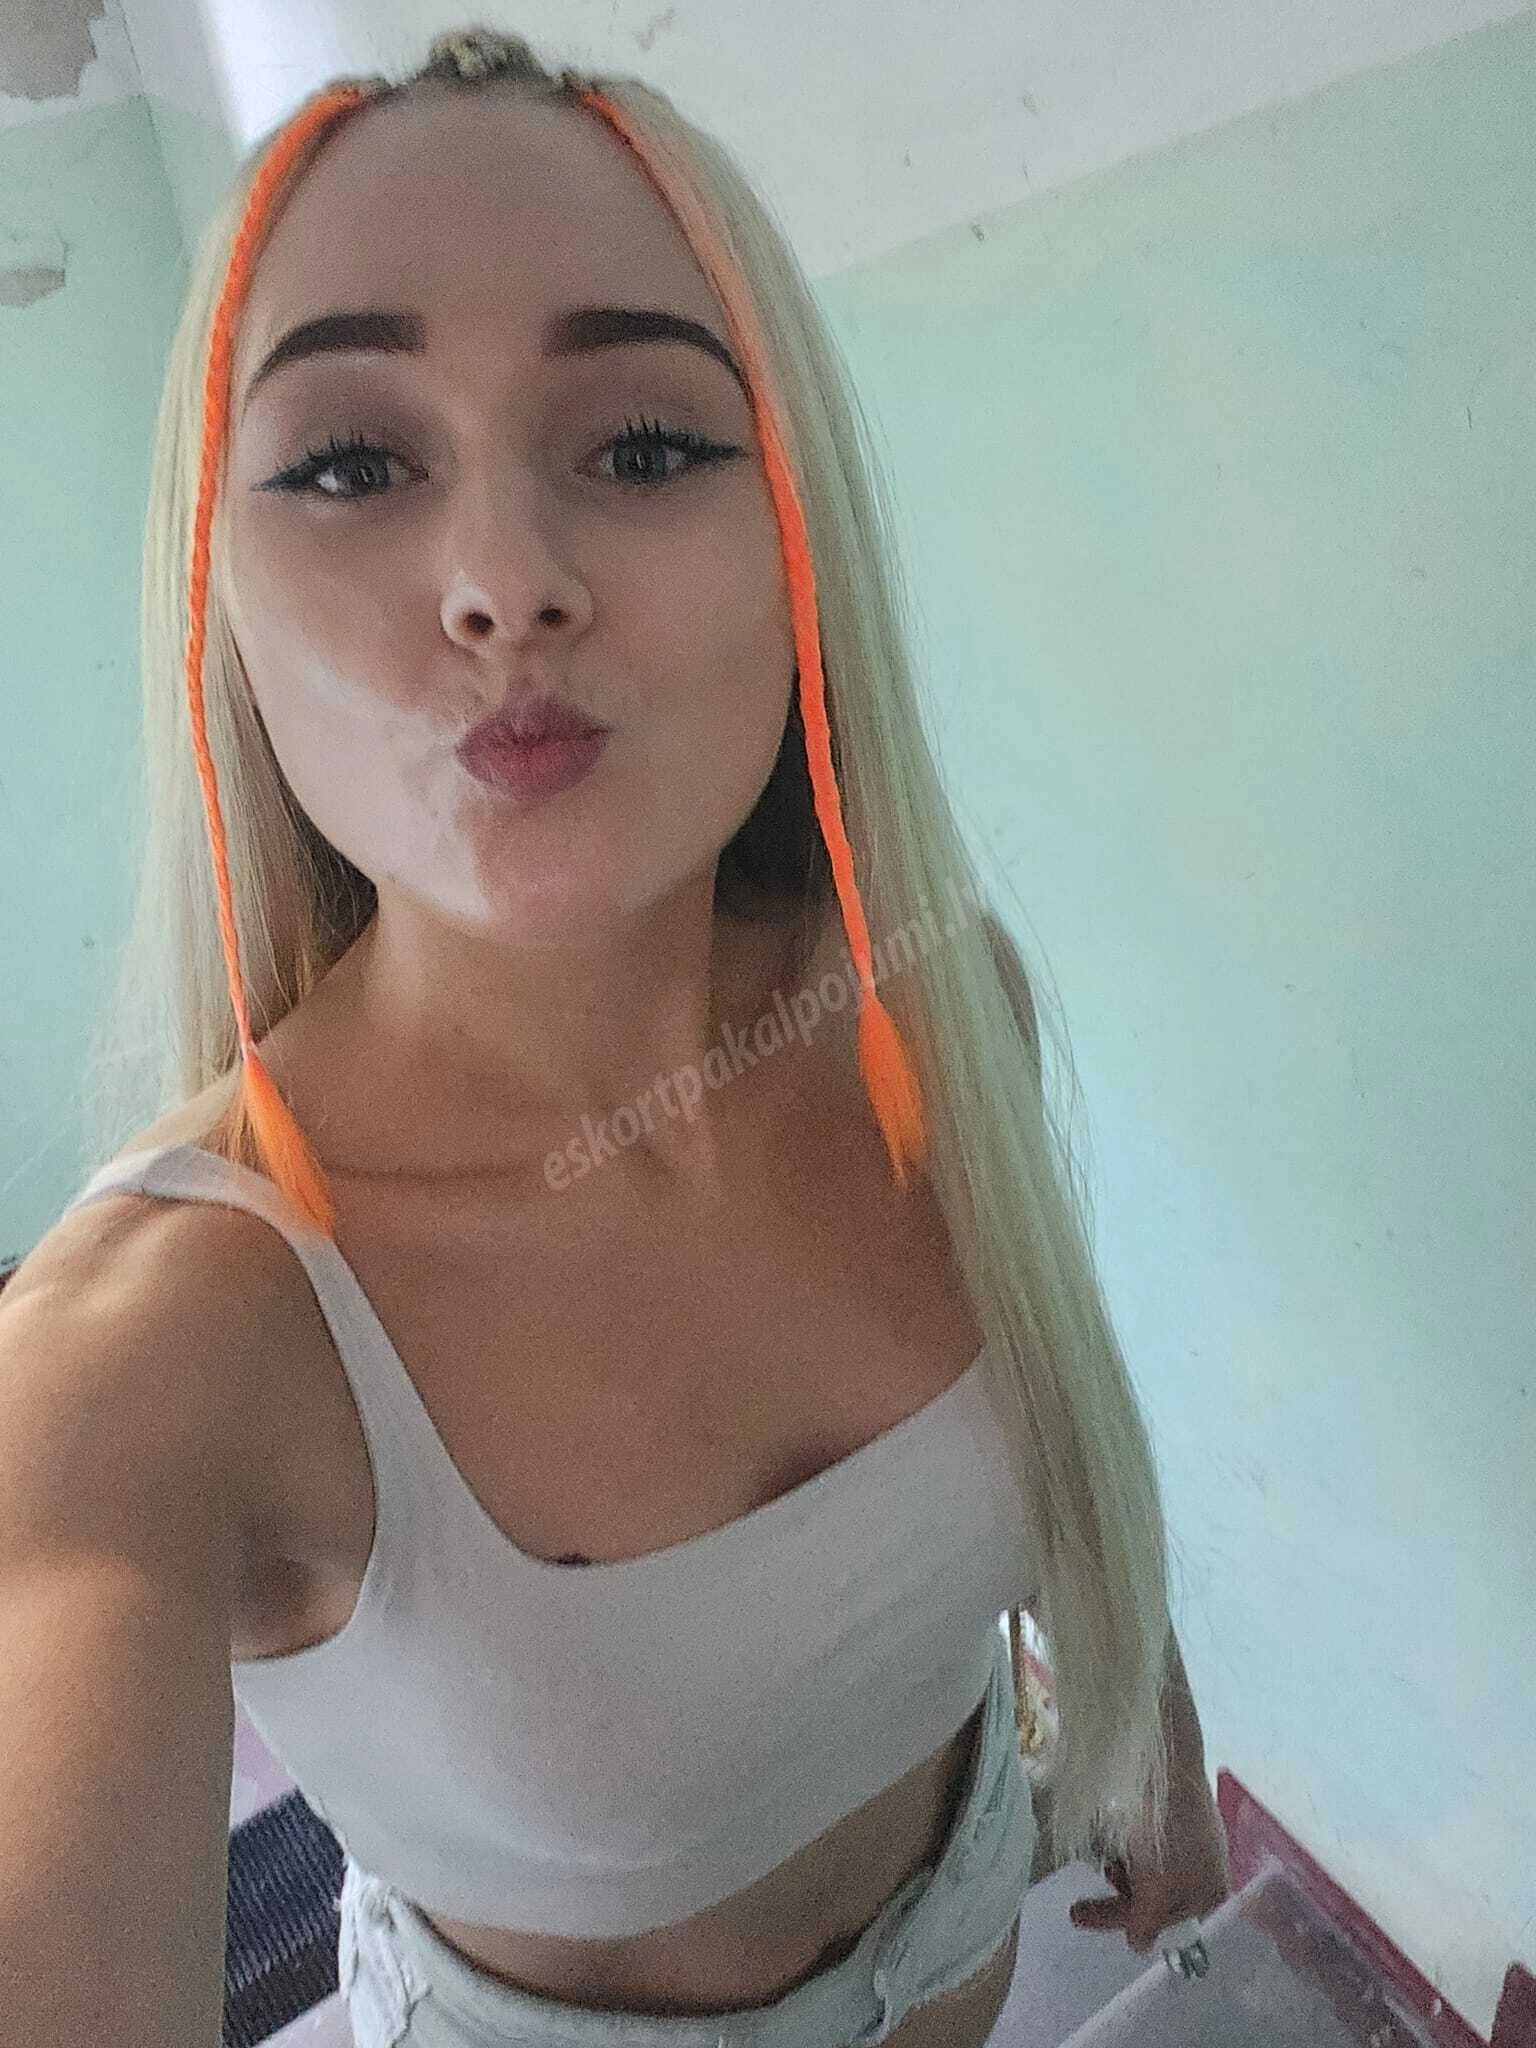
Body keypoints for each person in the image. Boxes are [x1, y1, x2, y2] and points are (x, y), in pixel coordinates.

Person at [0, 25, 1229, 2048]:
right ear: (216, 587)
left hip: (970, 1937)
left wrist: (1141, 1721)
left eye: (645, 447)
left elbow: (1054, 1413)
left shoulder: (936, 1004)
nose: (506, 584)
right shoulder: (144, 1360)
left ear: (797, 529)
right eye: (351, 463)